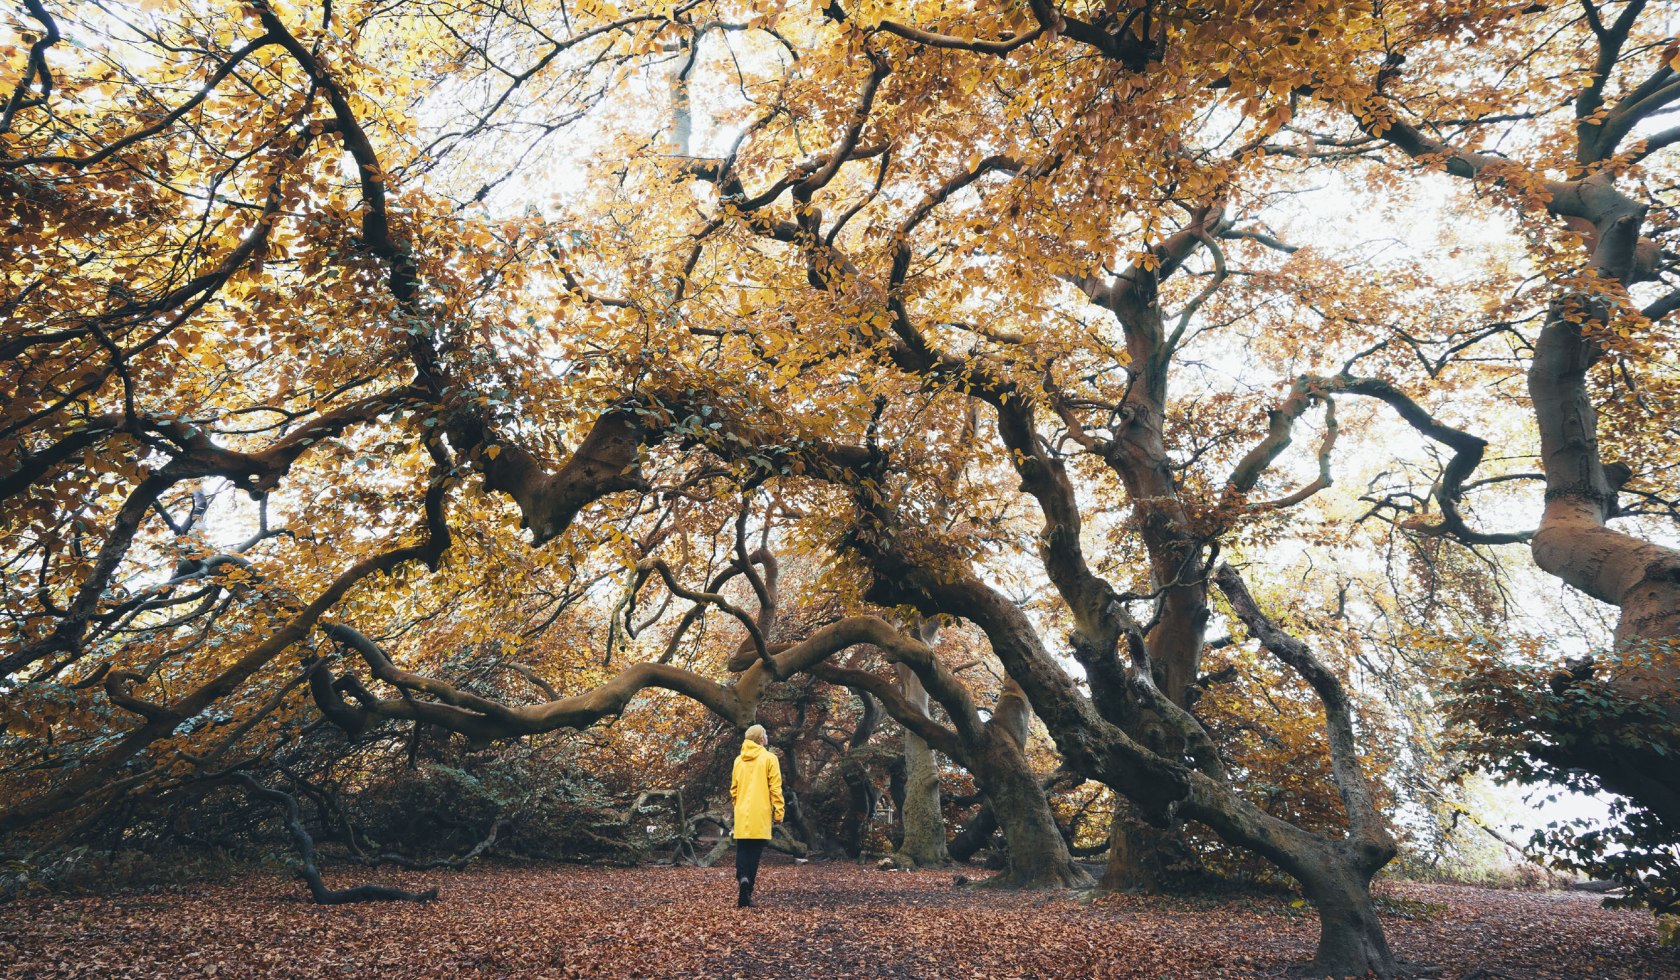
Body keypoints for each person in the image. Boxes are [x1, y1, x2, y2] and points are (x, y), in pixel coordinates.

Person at [729, 723, 784, 908]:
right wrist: (779, 811)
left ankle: (742, 878)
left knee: (742, 849)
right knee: (755, 854)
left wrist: (738, 806)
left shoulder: (738, 760)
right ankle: (747, 892)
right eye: (765, 734)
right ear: (760, 738)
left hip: (743, 813)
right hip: (760, 813)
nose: (767, 736)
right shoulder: (770, 759)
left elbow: (734, 789)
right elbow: (775, 788)